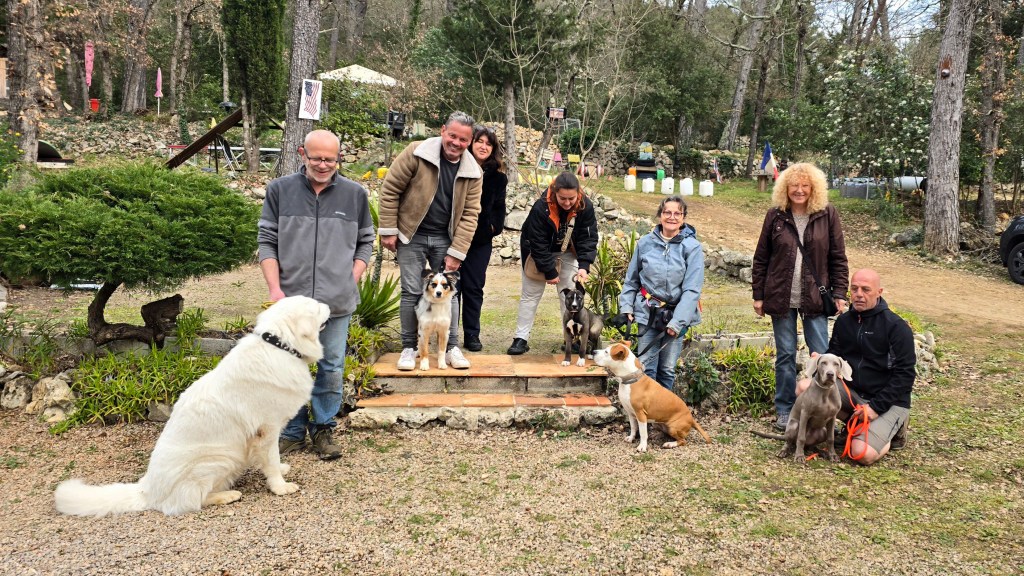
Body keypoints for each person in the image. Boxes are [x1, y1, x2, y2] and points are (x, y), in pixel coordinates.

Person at [257, 129, 374, 461]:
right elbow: (267, 240)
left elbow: (366, 240)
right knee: (289, 367)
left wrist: (351, 278)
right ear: (301, 153)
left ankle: (323, 428)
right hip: (290, 304)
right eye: (316, 158)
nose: (323, 165)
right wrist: (275, 289)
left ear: (339, 158)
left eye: (330, 159)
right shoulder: (280, 191)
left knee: (332, 366)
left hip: (335, 303)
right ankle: (293, 430)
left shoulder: (354, 194)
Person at [379, 111, 483, 371]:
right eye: (453, 136)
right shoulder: (417, 152)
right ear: (443, 130)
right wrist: (389, 229)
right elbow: (390, 189)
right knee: (411, 291)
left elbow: (471, 214)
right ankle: (408, 348)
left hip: (445, 238)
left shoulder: (473, 171)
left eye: (463, 139)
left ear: (469, 141)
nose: (456, 143)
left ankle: (452, 348)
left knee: (450, 293)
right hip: (411, 234)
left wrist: (457, 251)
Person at [752, 162, 849, 431]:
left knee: (822, 357)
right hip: (781, 297)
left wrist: (840, 292)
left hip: (815, 299)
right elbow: (761, 258)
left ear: (814, 188)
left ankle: (829, 411)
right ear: (785, 188)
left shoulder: (827, 214)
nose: (799, 190)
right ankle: (785, 409)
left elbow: (838, 257)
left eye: (805, 186)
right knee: (785, 355)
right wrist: (758, 295)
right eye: (794, 185)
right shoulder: (776, 215)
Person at [797, 269, 915, 465]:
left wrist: (876, 407)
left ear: (879, 292)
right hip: (853, 393)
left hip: (888, 400)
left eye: (866, 289)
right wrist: (823, 359)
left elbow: (905, 375)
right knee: (804, 386)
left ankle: (895, 430)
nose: (859, 294)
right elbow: (836, 356)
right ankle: (835, 428)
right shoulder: (844, 322)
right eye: (855, 289)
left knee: (862, 453)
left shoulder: (896, 327)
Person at [618, 196, 704, 390]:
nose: (672, 217)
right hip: (647, 313)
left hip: (675, 315)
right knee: (645, 368)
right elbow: (631, 280)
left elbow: (692, 290)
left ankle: (663, 416)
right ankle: (645, 417)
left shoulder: (692, 248)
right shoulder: (645, 244)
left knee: (666, 369)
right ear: (660, 215)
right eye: (667, 212)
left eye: (677, 213)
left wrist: (678, 322)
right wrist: (626, 306)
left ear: (683, 218)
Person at [507, 172, 598, 355]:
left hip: (567, 252)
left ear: (578, 193)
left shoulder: (585, 206)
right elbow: (537, 242)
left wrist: (584, 265)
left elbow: (588, 238)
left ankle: (570, 337)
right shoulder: (541, 207)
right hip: (537, 252)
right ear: (554, 192)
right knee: (530, 295)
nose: (566, 203)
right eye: (562, 198)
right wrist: (549, 271)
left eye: (571, 198)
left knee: (570, 297)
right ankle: (521, 338)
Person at [460, 125, 508, 352]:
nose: (483, 146)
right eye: (479, 141)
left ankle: (471, 334)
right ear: (470, 143)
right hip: (453, 238)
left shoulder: (498, 179)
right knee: (449, 287)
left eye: (488, 144)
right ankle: (449, 336)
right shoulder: (456, 168)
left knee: (473, 287)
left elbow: (500, 210)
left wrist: (491, 228)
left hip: (480, 242)